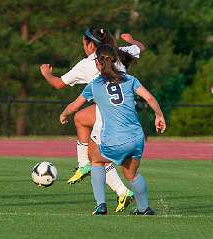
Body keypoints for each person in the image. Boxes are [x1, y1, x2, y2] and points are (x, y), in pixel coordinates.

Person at [40, 28, 146, 212]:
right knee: (81, 119)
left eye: (83, 43)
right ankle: (121, 191)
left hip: (107, 115)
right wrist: (132, 39)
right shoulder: (118, 52)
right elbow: (140, 48)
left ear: (90, 45)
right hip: (126, 113)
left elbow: (58, 84)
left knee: (97, 157)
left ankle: (95, 180)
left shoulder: (88, 63)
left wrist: (46, 74)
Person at [60, 44, 166, 215]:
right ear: (116, 60)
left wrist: (64, 114)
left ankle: (100, 205)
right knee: (131, 174)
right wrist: (159, 116)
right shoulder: (130, 79)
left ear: (97, 63)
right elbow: (149, 98)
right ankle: (144, 208)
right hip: (137, 138)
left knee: (95, 159)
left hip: (115, 140)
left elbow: (74, 106)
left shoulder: (95, 85)